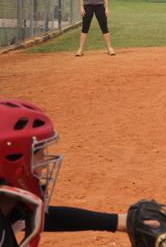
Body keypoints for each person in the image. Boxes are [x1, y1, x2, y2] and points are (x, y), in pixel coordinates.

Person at [0, 98, 128, 247]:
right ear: (12, 161)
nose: (44, 165)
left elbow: (40, 216)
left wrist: (118, 221)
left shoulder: (5, 204)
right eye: (39, 156)